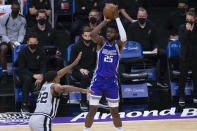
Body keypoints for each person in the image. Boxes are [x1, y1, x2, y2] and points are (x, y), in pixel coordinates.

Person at [84, 4, 127, 131]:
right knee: (92, 110)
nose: (109, 33)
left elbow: (124, 37)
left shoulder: (118, 45)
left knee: (115, 112)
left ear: (115, 33)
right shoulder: (102, 42)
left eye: (111, 32)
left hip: (112, 82)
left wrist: (117, 18)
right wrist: (104, 22)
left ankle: (119, 130)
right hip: (98, 81)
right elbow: (92, 34)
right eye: (107, 31)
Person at [29, 52, 94, 131]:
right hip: (43, 119)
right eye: (57, 77)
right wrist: (81, 89)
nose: (59, 78)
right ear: (54, 79)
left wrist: (73, 64)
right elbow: (63, 88)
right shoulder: (54, 86)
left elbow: (59, 73)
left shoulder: (45, 84)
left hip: (33, 118)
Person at [127, 7, 167, 87]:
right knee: (125, 56)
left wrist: (155, 48)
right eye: (140, 16)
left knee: (163, 53)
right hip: (136, 53)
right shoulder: (131, 27)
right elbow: (130, 43)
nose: (141, 18)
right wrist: (135, 51)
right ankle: (128, 79)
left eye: (143, 16)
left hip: (150, 52)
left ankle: (161, 80)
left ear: (147, 16)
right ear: (137, 16)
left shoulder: (151, 25)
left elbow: (155, 41)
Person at [70, 26, 97, 111]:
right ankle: (84, 101)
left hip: (90, 70)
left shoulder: (94, 46)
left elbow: (97, 60)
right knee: (84, 77)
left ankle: (102, 100)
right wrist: (81, 69)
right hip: (78, 70)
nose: (87, 38)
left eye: (89, 36)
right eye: (86, 36)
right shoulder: (76, 47)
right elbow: (72, 62)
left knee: (102, 75)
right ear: (82, 36)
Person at [18, 33, 46, 112]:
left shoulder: (41, 52)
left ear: (37, 42)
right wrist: (34, 76)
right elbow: (22, 68)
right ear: (27, 43)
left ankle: (44, 105)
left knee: (49, 78)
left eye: (34, 42)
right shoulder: (22, 52)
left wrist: (41, 76)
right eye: (31, 42)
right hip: (26, 73)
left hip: (38, 73)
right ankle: (24, 104)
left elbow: (43, 66)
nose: (32, 44)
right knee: (27, 79)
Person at [0, 1, 26, 85]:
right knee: (3, 48)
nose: (15, 10)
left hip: (17, 40)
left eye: (17, 9)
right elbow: (2, 34)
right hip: (6, 40)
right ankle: (4, 73)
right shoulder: (3, 18)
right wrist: (10, 42)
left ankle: (19, 74)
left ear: (19, 9)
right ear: (11, 8)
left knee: (20, 50)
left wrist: (17, 43)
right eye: (14, 8)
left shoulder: (22, 19)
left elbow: (22, 33)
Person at [178, 11, 197, 106]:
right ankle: (181, 96)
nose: (189, 22)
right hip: (185, 56)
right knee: (183, 77)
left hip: (195, 56)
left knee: (196, 76)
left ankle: (196, 95)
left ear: (195, 19)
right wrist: (187, 30)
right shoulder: (182, 27)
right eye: (187, 20)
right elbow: (182, 40)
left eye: (190, 20)